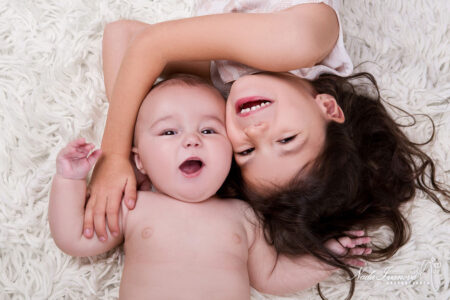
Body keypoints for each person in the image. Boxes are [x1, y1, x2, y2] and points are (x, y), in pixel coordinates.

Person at [83, 0, 449, 295]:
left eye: (247, 152)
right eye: (286, 140)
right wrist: (116, 154)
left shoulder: (227, 85)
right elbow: (151, 46)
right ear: (328, 108)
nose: (253, 130)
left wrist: (151, 154)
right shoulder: (301, 42)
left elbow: (124, 37)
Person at [49, 74, 371, 299]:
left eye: (209, 131)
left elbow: (270, 276)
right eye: (168, 133)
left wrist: (324, 259)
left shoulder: (244, 215)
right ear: (140, 161)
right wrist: (70, 180)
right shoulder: (135, 204)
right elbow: (75, 237)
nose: (191, 140)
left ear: (232, 152)